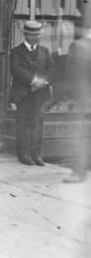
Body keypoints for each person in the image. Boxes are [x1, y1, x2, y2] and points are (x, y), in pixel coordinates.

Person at [9, 20, 55, 166]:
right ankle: (24, 155)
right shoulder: (16, 52)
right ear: (25, 35)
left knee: (37, 125)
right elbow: (16, 70)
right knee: (22, 125)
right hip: (23, 95)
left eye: (37, 35)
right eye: (32, 35)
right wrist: (33, 80)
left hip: (40, 95)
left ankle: (37, 155)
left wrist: (44, 81)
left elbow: (53, 70)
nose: (35, 38)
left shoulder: (45, 51)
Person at [62, 26, 91, 183]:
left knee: (81, 137)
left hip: (85, 100)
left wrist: (72, 96)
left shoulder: (78, 46)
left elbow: (71, 75)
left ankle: (79, 171)